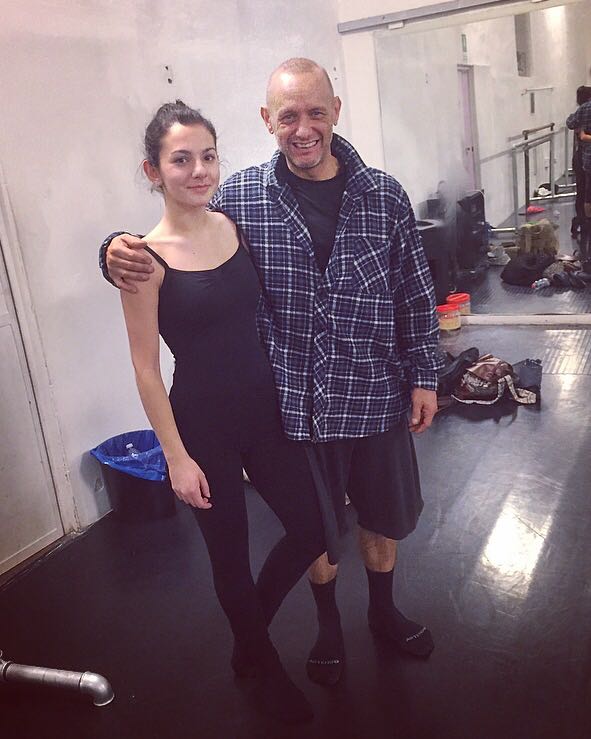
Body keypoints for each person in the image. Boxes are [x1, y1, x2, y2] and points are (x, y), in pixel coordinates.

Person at [100, 59, 442, 688]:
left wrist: (426, 374)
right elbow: (180, 228)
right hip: (297, 404)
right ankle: (327, 628)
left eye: (316, 113)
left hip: (375, 392)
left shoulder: (385, 195)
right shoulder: (242, 198)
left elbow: (415, 293)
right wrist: (113, 249)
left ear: (336, 112)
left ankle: (383, 612)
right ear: (267, 121)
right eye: (289, 116)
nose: (303, 128)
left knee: (380, 517)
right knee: (319, 529)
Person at [117, 100, 329, 725]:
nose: (199, 170)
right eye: (181, 160)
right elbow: (145, 368)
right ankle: (264, 666)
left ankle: (248, 633)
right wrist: (176, 458)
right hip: (202, 424)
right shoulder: (142, 259)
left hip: (265, 413)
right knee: (229, 555)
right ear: (153, 171)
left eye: (208, 156)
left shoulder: (234, 222)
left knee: (315, 527)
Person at [567, 91, 591, 268]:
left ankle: (584, 224)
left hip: (585, 158)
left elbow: (570, 123)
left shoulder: (584, 109)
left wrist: (583, 134)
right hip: (585, 157)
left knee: (583, 194)